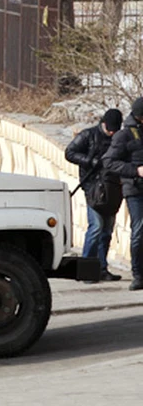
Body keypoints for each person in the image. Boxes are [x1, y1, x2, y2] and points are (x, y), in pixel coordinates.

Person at [67, 108, 124, 282]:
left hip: (112, 188)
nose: (112, 133)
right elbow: (70, 153)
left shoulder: (119, 138)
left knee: (107, 230)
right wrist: (91, 162)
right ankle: (86, 270)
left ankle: (101, 268)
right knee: (96, 227)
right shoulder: (88, 135)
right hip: (93, 187)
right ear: (103, 124)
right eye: (110, 129)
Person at [103, 99, 143, 290]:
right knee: (139, 230)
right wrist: (136, 171)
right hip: (135, 189)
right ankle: (138, 274)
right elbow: (109, 162)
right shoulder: (124, 135)